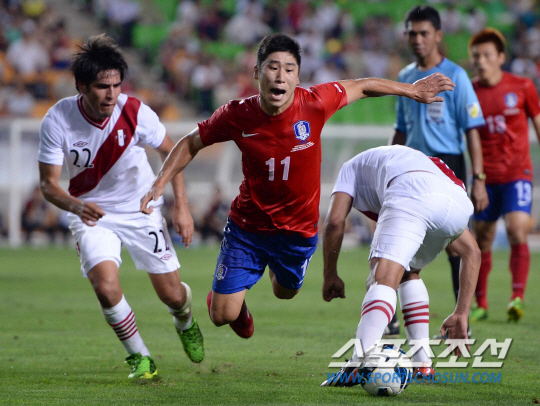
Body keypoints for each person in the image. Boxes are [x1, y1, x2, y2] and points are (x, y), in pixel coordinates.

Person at [141, 33, 455, 340]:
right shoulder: (236, 114)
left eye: (289, 69)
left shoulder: (315, 103)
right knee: (222, 315)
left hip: (297, 231)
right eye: (273, 67)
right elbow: (191, 143)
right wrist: (161, 181)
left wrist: (410, 90)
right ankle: (238, 307)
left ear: (298, 76)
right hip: (248, 226)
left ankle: (258, 282)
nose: (280, 76)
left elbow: (363, 86)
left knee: (285, 292)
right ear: (257, 72)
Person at [37, 35, 204, 380]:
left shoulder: (135, 112)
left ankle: (185, 319)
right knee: (106, 286)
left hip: (141, 209)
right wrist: (76, 205)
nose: (111, 94)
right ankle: (140, 358)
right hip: (90, 212)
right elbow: (48, 184)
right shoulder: (57, 120)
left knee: (172, 295)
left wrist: (181, 206)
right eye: (101, 86)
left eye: (116, 85)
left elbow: (173, 152)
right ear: (81, 86)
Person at [320, 145, 481, 386]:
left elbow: (334, 222)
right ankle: (422, 364)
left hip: (411, 192)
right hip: (458, 202)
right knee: (408, 272)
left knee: (381, 277)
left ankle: (357, 363)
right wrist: (462, 313)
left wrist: (330, 274)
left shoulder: (349, 168)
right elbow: (473, 253)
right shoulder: (415, 161)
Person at [390, 5, 488, 337]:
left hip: (449, 167)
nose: (417, 39)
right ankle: (390, 315)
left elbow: (472, 130)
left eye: (424, 33)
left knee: (457, 247)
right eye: (412, 33)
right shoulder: (404, 77)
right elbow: (401, 129)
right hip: (412, 168)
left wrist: (479, 179)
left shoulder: (456, 77)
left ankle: (463, 320)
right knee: (398, 242)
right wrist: (389, 164)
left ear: (438, 36)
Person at [468, 28, 540, 322]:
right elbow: (470, 137)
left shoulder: (523, 87)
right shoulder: (470, 92)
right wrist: (478, 179)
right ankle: (480, 302)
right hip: (487, 179)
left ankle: (517, 297)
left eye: (487, 55)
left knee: (517, 228)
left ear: (500, 57)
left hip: (517, 174)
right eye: (476, 56)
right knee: (482, 240)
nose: (481, 61)